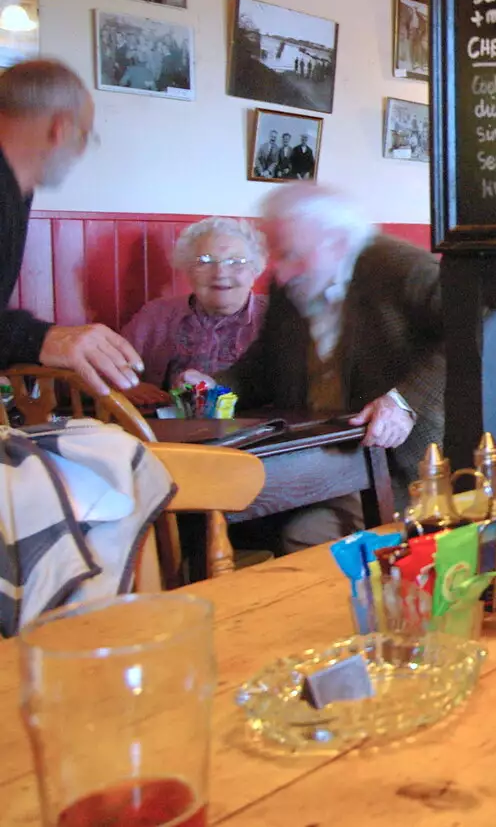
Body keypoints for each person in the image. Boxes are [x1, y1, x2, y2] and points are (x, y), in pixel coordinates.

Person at [183, 184, 443, 550]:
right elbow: (262, 367)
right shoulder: (292, 281)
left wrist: (404, 402)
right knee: (207, 515)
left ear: (336, 242)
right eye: (276, 254)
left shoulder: (397, 267)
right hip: (320, 458)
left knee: (296, 534)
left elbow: (485, 327)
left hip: (406, 470)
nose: (282, 273)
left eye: (290, 254)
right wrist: (213, 386)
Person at [0, 60, 144, 396]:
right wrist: (42, 338)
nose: (81, 150)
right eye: (85, 136)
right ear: (60, 129)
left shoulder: (16, 189)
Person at [119, 217, 268, 408]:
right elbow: (110, 368)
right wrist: (127, 385)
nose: (220, 273)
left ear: (255, 271)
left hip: (260, 431)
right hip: (168, 431)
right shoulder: (156, 316)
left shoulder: (274, 318)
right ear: (187, 270)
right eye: (205, 261)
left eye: (236, 261)